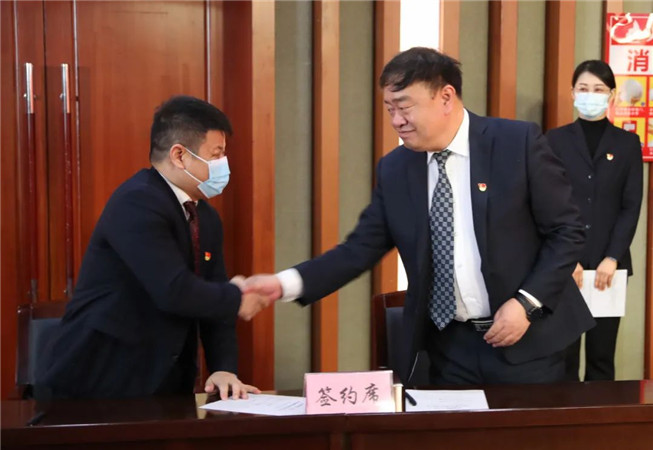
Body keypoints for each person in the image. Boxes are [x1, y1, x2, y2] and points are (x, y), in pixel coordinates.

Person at [245, 47, 595, 385]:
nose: (396, 121)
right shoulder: (396, 169)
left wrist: (526, 303)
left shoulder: (516, 143)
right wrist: (283, 284)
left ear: (445, 97)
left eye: (404, 107)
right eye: (389, 109)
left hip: (529, 340)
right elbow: (357, 250)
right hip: (449, 349)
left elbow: (567, 232)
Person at [38, 95, 267, 399]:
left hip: (167, 383)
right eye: (216, 154)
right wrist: (236, 297)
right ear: (179, 155)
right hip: (101, 381)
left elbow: (213, 295)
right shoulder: (137, 202)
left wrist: (223, 368)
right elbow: (173, 289)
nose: (223, 165)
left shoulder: (207, 218)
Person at [546, 60, 643, 381]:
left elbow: (631, 206)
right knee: (564, 356)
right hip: (565, 265)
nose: (591, 95)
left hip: (609, 268)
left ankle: (601, 415)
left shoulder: (627, 143)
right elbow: (549, 203)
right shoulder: (554, 140)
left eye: (599, 89)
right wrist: (567, 258)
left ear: (611, 95)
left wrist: (612, 257)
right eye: (584, 88)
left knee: (602, 356)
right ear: (573, 93)